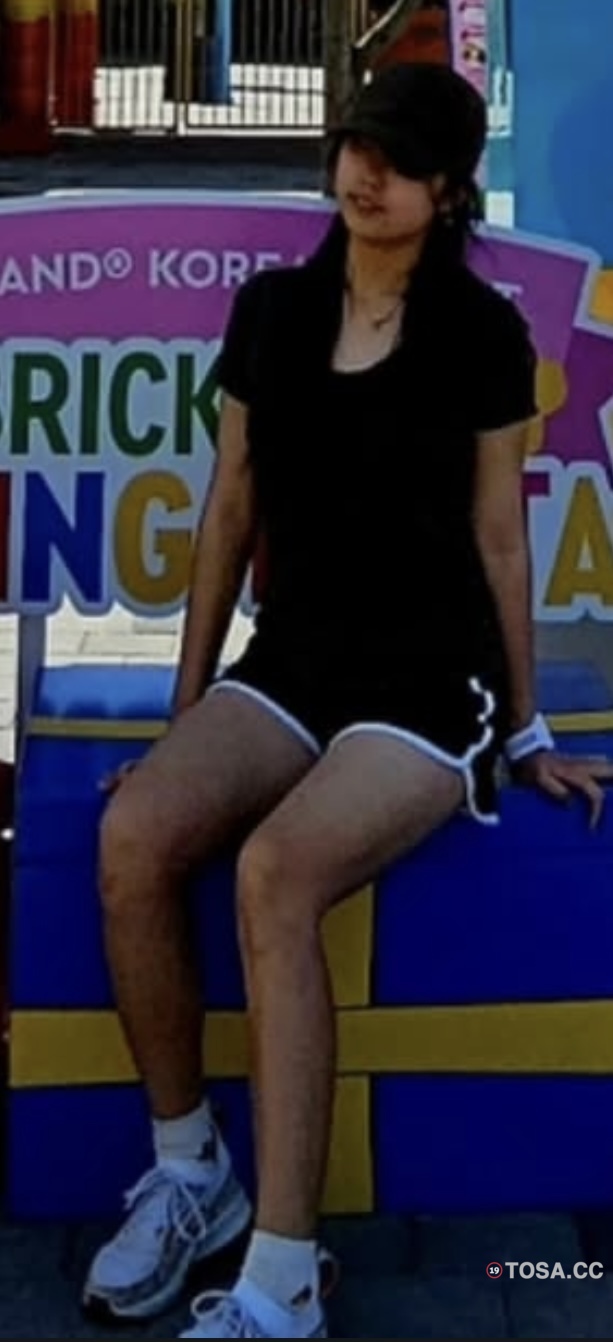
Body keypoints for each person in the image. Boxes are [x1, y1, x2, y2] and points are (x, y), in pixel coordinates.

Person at [84, 62, 612, 1340]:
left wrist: (525, 729)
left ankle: (281, 1277)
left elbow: (501, 540)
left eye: (400, 158)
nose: (365, 173)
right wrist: (187, 713)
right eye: (356, 145)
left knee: (275, 873)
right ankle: (191, 1172)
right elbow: (228, 512)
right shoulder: (272, 311)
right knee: (134, 832)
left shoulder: (481, 334)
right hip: (294, 661)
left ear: (448, 190)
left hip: (429, 679)